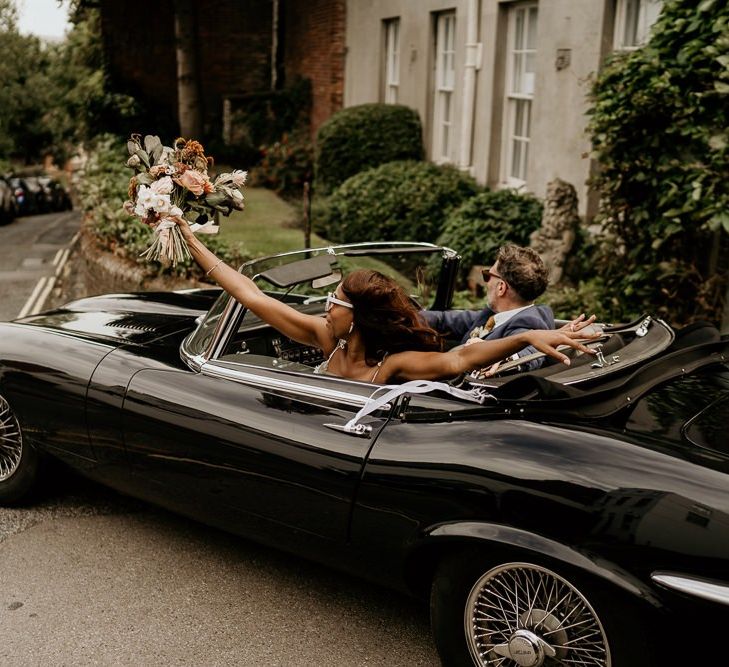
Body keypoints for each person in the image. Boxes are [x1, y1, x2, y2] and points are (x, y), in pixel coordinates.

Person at [173, 218, 597, 383]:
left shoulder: (391, 365)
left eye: (334, 300)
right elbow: (250, 293)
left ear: (355, 318)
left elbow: (459, 362)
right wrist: (190, 239)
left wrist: (526, 339)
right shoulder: (325, 336)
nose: (326, 306)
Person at [422, 244, 590, 372]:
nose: (486, 283)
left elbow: (529, 352)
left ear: (501, 287)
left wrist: (505, 360)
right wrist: (404, 315)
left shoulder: (528, 323)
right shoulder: (493, 315)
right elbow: (445, 319)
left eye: (487, 276)